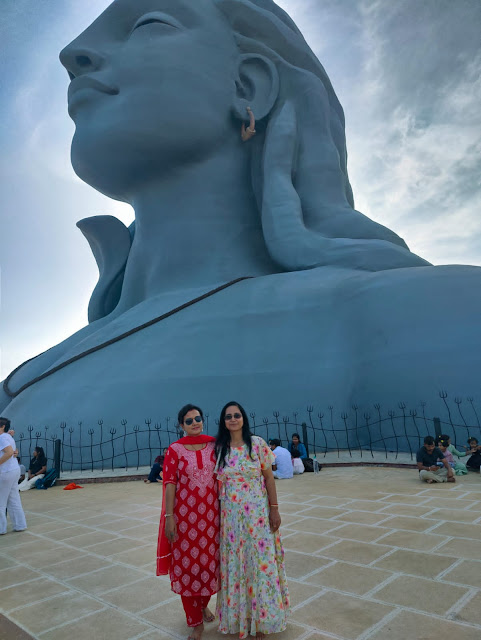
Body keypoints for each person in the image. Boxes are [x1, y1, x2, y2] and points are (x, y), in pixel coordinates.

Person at [2, 0, 481, 433]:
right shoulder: (26, 375)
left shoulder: (429, 315)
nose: (72, 53)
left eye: (148, 24)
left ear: (249, 85)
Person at [215, 402, 289, 639]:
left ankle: (261, 620)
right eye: (228, 416)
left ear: (243, 418)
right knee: (238, 568)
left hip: (257, 518)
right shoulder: (220, 449)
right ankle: (243, 618)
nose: (233, 419)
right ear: (223, 421)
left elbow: (269, 478)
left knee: (259, 566)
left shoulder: (257, 444)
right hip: (231, 522)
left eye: (237, 415)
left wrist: (274, 509)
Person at [156, 405, 219, 640]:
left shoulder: (215, 445)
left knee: (209, 566)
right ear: (181, 425)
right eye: (189, 420)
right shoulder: (175, 450)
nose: (195, 423)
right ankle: (195, 623)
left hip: (212, 519)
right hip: (185, 521)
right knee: (187, 569)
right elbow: (169, 483)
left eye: (198, 418)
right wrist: (169, 517)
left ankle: (203, 604)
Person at [0, 417, 27, 534]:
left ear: (2, 427)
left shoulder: (2, 437)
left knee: (1, 502)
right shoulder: (8, 437)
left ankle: (1, 528)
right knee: (14, 499)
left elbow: (10, 452)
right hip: (13, 470)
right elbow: (14, 452)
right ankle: (20, 525)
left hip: (5, 472)